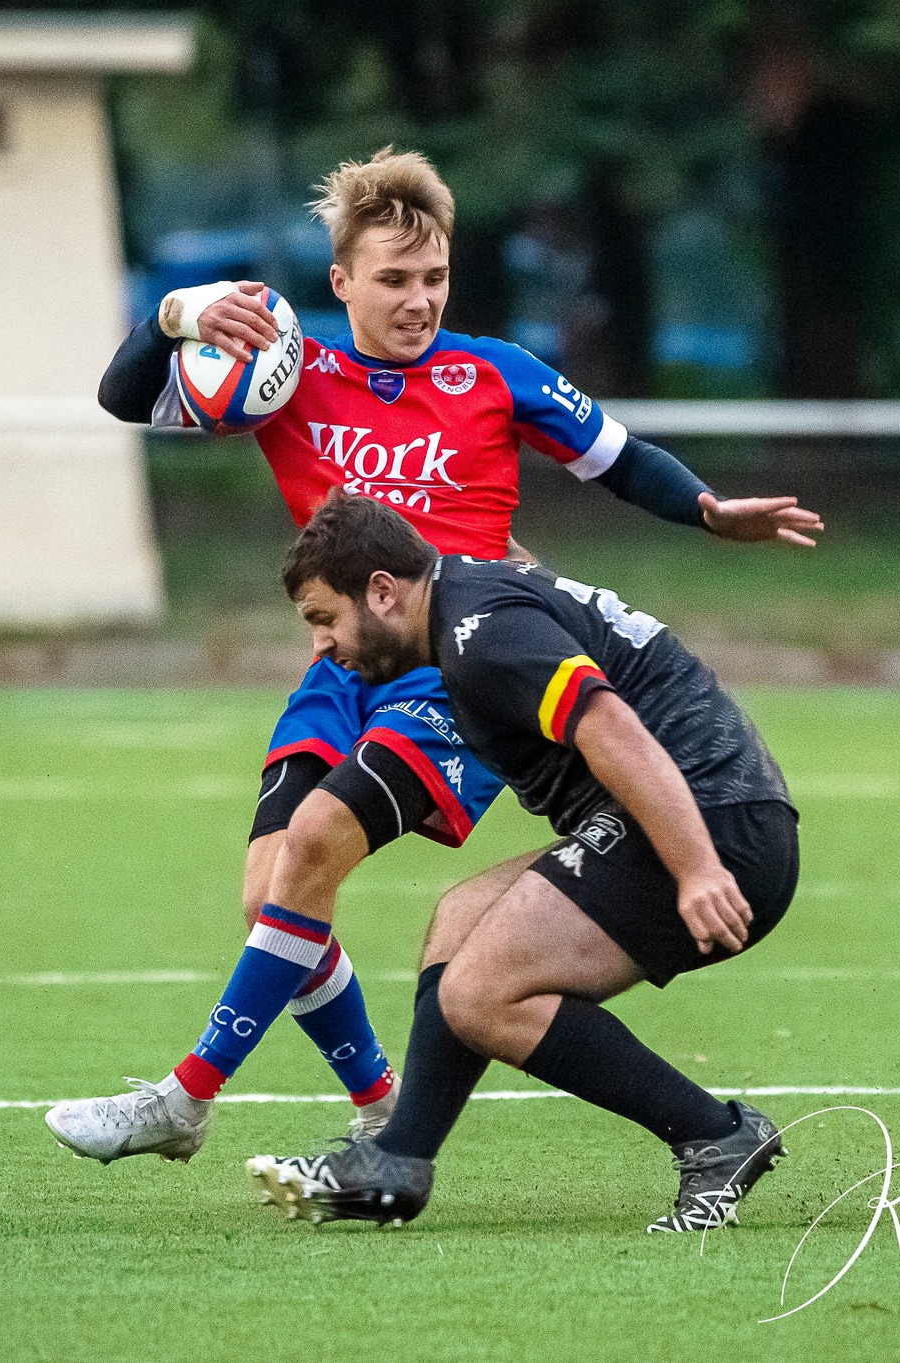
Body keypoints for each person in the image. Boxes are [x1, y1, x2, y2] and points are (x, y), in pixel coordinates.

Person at [45, 148, 821, 1165]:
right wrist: (171, 316)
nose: (417, 301)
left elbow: (619, 460)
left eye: (433, 279)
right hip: (342, 663)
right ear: (341, 283)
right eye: (392, 279)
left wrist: (709, 510)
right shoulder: (289, 374)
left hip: (464, 672)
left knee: (313, 843)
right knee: (271, 893)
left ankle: (184, 1098)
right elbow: (124, 401)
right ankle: (379, 1104)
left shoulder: (492, 372)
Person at [248, 492, 798, 1232]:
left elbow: (612, 726)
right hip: (682, 814)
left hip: (717, 826)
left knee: (478, 994)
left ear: (382, 590)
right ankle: (397, 1161)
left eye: (324, 618)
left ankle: (716, 1134)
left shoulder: (480, 633)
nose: (321, 644)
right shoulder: (469, 602)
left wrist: (698, 866)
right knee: (460, 919)